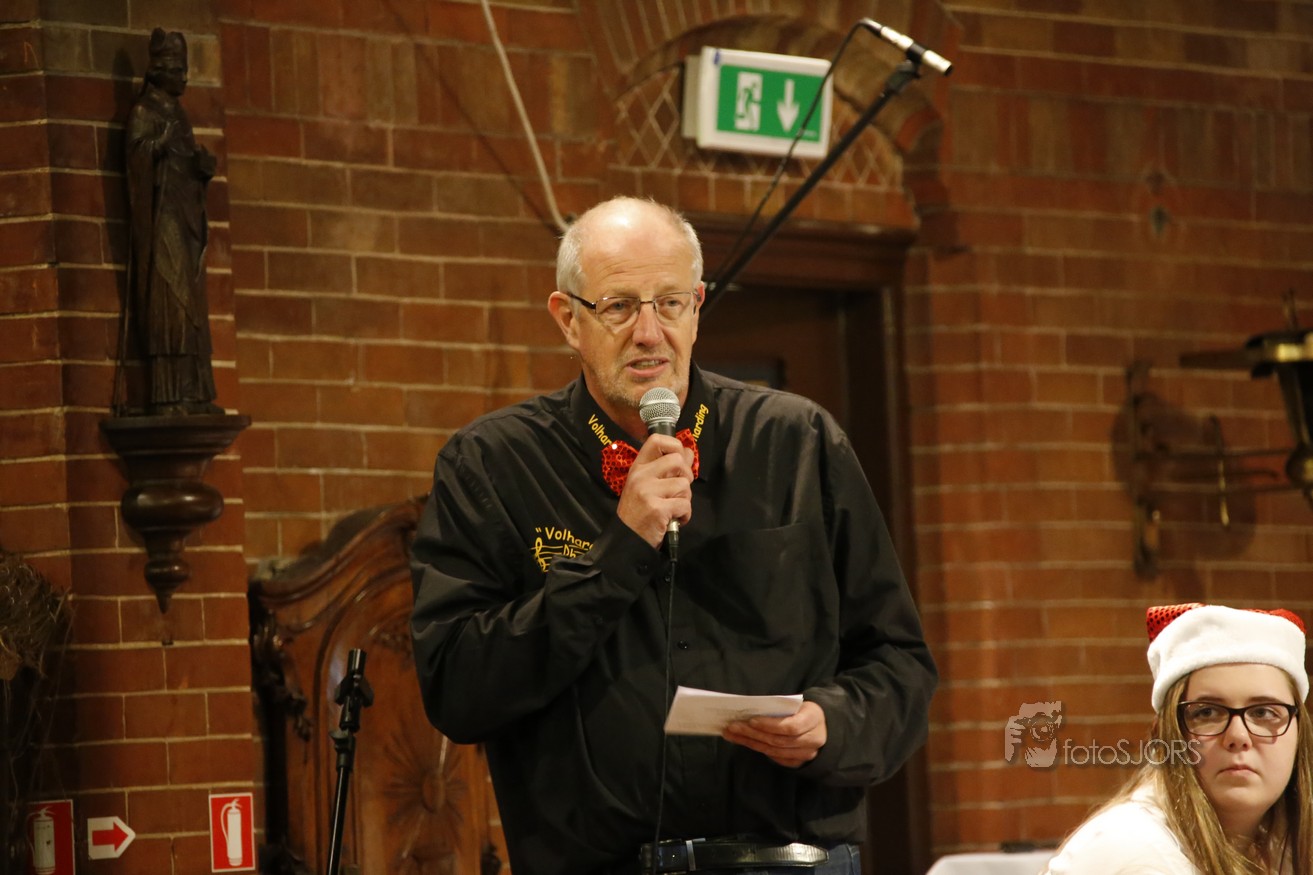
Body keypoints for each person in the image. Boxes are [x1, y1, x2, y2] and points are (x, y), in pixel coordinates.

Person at [409, 196, 937, 875]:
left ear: (697, 307)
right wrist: (620, 550)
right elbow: (458, 689)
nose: (649, 332)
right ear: (568, 319)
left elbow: (899, 663)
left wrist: (834, 722)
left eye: (669, 303)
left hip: (788, 860)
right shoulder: (491, 465)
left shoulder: (797, 441)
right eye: (619, 306)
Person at [1043, 603, 1313, 875]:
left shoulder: (1284, 847)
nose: (1238, 736)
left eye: (1264, 712)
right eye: (1206, 713)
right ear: (1165, 733)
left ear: (1299, 730)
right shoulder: (1132, 851)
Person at [125, 28, 221, 415]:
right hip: (162, 217)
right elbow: (137, 159)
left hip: (184, 215)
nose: (185, 77)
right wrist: (156, 147)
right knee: (171, 295)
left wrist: (201, 170)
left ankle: (195, 392)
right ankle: (168, 396)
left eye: (185, 69)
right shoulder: (143, 113)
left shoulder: (179, 115)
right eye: (178, 69)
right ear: (159, 70)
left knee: (193, 301)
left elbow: (183, 167)